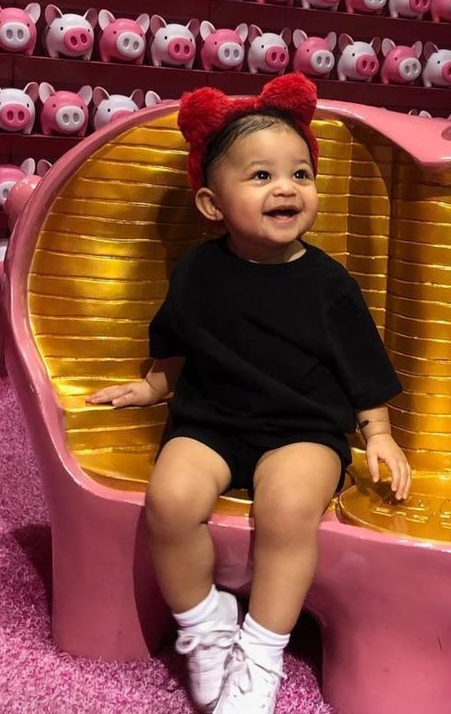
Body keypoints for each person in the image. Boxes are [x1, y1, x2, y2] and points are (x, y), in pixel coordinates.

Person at [86, 72, 411, 714]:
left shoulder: (329, 284)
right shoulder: (197, 271)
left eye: (300, 174)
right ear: (212, 204)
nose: (286, 187)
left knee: (288, 508)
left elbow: (362, 363)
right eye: (261, 176)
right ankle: (204, 623)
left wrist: (378, 433)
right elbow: (176, 340)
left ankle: (262, 651)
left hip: (303, 431)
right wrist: (152, 386)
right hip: (209, 422)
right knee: (169, 499)